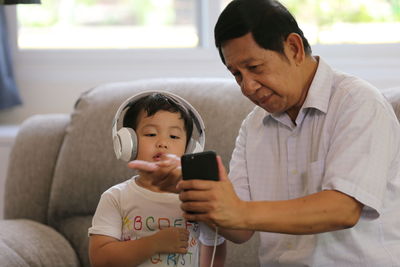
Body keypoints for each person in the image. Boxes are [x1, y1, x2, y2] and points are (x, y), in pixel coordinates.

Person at [130, 0, 400, 266]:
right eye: (236, 74)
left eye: (255, 68)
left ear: (293, 49)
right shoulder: (254, 125)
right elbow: (240, 230)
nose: (247, 87)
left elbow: (342, 209)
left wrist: (239, 211)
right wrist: (194, 192)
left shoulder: (358, 103)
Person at [88, 92, 225, 267]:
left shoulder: (197, 197)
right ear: (129, 143)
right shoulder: (116, 197)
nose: (162, 143)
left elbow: (214, 244)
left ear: (190, 150)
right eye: (151, 134)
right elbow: (100, 259)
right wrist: (153, 244)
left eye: (174, 136)